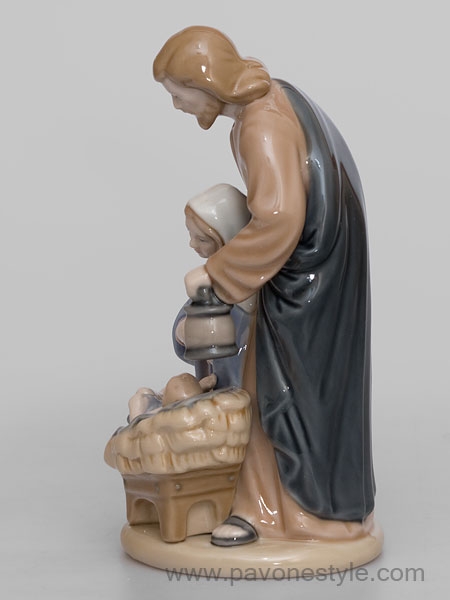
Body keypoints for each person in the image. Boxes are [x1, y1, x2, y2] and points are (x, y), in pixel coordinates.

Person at [154, 26, 376, 546]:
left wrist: (215, 272)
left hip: (307, 284)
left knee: (280, 391)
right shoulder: (275, 98)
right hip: (326, 271)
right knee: (312, 392)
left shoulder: (261, 124)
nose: (177, 106)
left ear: (207, 84)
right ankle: (311, 509)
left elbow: (279, 219)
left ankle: (275, 513)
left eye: (179, 94)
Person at [173, 183, 253, 390]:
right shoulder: (210, 280)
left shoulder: (250, 284)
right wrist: (182, 330)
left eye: (201, 239)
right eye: (190, 235)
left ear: (228, 238)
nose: (192, 244)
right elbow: (191, 314)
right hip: (217, 378)